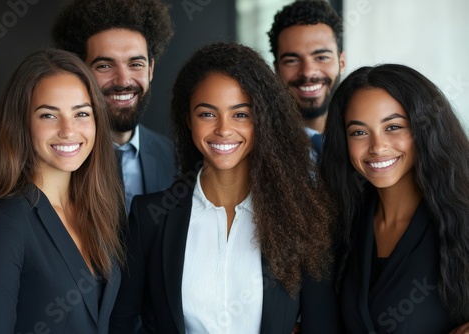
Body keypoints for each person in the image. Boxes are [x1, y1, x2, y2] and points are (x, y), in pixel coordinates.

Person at [109, 42, 341, 333]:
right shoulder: (150, 218)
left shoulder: (302, 217)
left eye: (241, 114)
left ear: (262, 120)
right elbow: (123, 322)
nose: (223, 129)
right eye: (207, 114)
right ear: (189, 120)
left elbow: (322, 326)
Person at [0, 48, 125, 334]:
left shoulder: (98, 210)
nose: (68, 130)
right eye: (49, 116)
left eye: (81, 113)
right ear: (22, 124)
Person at [320, 64, 469, 333]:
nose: (377, 147)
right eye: (359, 132)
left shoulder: (463, 213)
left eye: (393, 127)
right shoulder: (344, 223)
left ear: (423, 128)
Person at [52, 0, 176, 211]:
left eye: (136, 64)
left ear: (151, 70)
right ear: (81, 71)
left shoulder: (173, 156)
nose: (123, 81)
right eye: (105, 66)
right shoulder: (55, 155)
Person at [268, 0, 346, 155]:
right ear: (276, 69)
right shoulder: (259, 146)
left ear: (341, 63)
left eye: (321, 57)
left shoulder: (368, 137)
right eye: (292, 61)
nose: (308, 72)